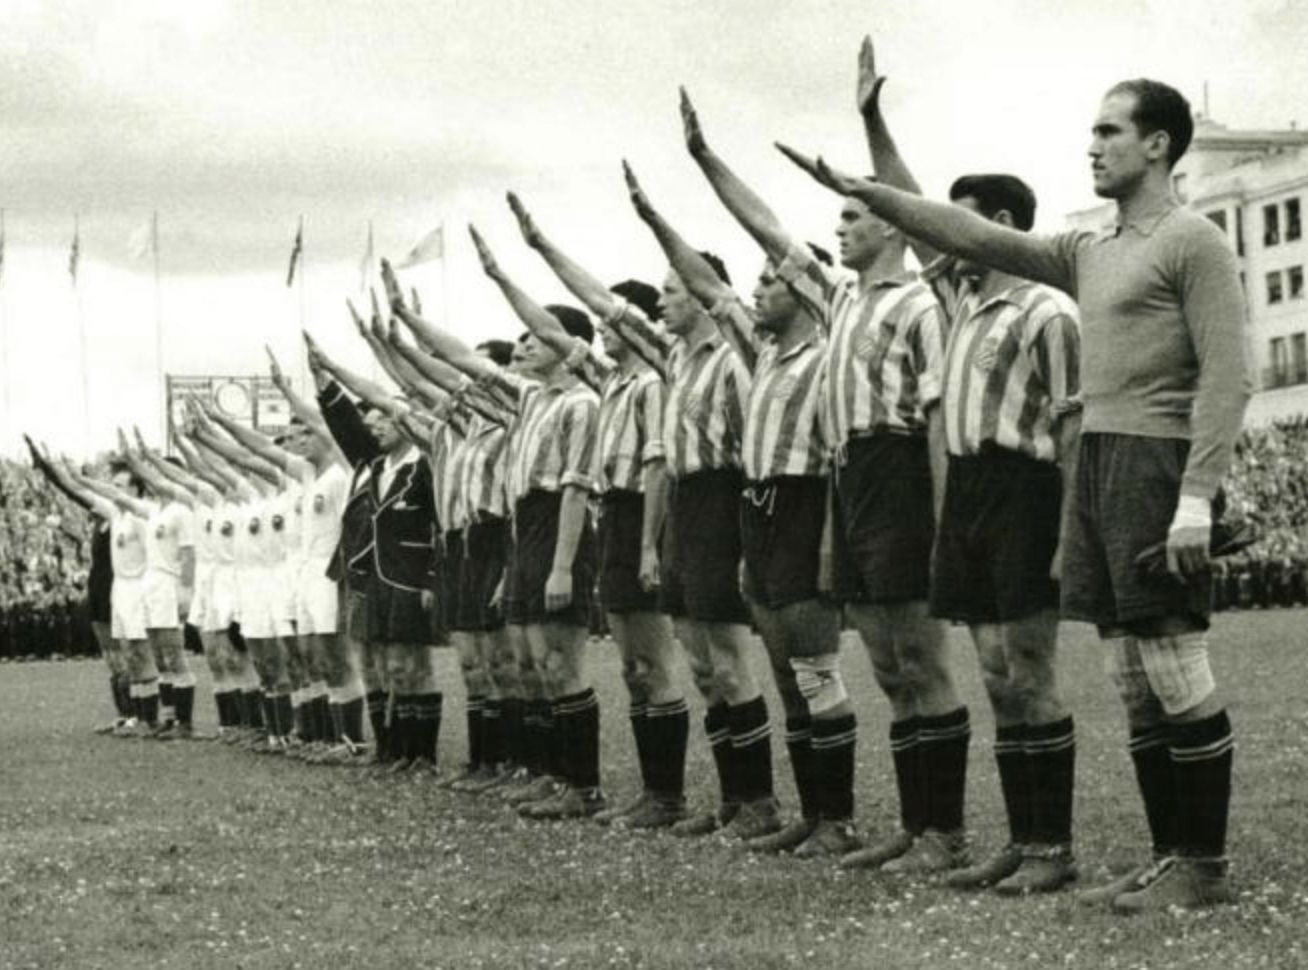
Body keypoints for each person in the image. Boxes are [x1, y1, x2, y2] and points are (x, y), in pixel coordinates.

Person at [780, 72, 1250, 910]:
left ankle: (1204, 865)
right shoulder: (1088, 250)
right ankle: (1168, 854)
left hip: (1155, 456)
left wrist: (1196, 498)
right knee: (1129, 676)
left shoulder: (1194, 241)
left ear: (1158, 145)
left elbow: (1228, 375)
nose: (1093, 145)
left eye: (1110, 131)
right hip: (1100, 461)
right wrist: (869, 186)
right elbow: (958, 229)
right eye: (1092, 132)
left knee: (1173, 661)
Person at [680, 88, 969, 870]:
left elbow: (917, 206)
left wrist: (874, 125)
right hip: (853, 483)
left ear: (892, 224)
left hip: (901, 469)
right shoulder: (841, 305)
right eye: (837, 218)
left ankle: (944, 830)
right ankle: (906, 826)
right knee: (885, 668)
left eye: (853, 217)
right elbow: (769, 228)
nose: (839, 228)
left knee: (922, 663)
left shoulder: (923, 302)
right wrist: (707, 160)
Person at [853, 37, 1081, 892]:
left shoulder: (1045, 309)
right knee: (992, 675)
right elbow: (909, 205)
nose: (936, 237)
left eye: (961, 222)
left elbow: (1068, 430)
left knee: (1029, 671)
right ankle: (1022, 843)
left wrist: (1064, 533)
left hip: (1023, 489)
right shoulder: (958, 300)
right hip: (971, 496)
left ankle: (1053, 849)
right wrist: (873, 120)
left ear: (1004, 231)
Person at [622, 167, 861, 857]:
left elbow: (833, 454)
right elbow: (709, 287)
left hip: (802, 501)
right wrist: (653, 219)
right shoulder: (760, 354)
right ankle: (799, 812)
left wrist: (823, 542)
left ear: (802, 287)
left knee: (815, 670)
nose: (754, 291)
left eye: (769, 281)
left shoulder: (827, 351)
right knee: (785, 673)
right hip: (758, 510)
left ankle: (837, 816)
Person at [385, 247, 605, 820]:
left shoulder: (582, 402)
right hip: (521, 526)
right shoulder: (529, 397)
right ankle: (549, 774)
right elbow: (459, 362)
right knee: (534, 664)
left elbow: (577, 486)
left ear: (561, 342)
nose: (524, 346)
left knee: (560, 662)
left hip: (556, 521)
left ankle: (582, 784)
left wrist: (561, 565)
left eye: (533, 337)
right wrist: (407, 324)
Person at [503, 193, 692, 830]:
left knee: (655, 662)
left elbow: (657, 463)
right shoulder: (608, 383)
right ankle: (627, 791)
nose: (604, 327)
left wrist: (647, 547)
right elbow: (558, 331)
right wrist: (520, 266)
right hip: (616, 515)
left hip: (643, 512)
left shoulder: (652, 380)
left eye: (618, 321)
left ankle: (667, 795)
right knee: (634, 669)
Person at [309, 331, 443, 773]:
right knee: (375, 666)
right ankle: (389, 749)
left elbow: (439, 524)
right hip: (368, 580)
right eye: (373, 423)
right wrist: (324, 383)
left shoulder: (422, 464)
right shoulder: (372, 467)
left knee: (410, 667)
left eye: (383, 420)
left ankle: (419, 754)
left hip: (406, 576)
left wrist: (430, 579)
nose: (376, 427)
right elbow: (344, 426)